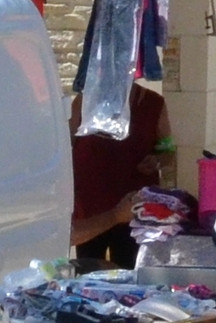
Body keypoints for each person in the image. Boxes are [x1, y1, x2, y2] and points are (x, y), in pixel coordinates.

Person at [70, 81, 174, 266]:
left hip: (133, 205)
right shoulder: (85, 100)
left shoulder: (152, 103)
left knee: (129, 268)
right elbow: (67, 144)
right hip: (91, 206)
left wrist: (157, 159)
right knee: (88, 268)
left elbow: (167, 150)